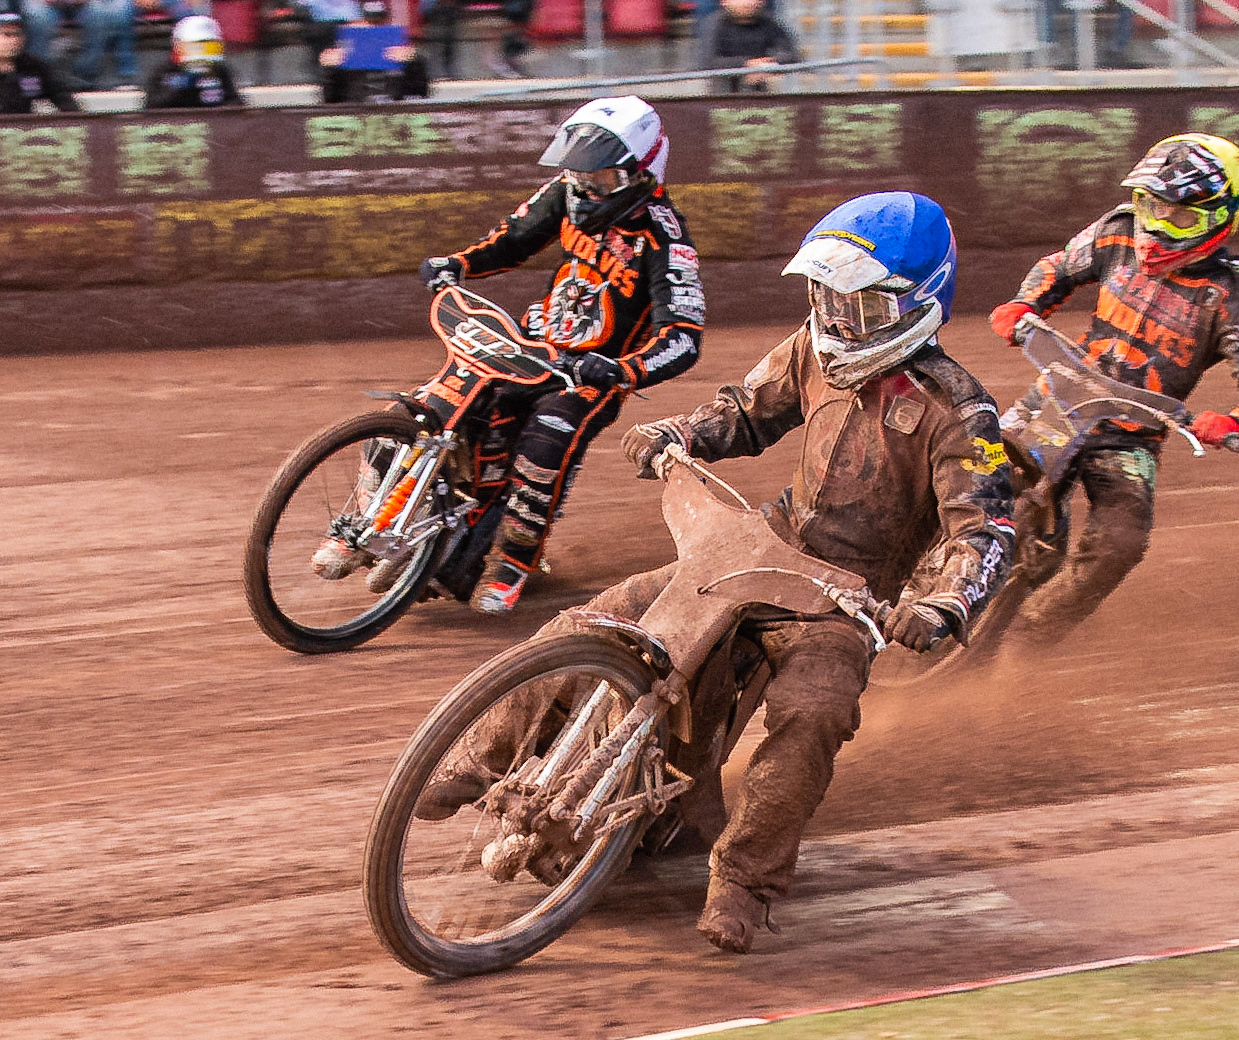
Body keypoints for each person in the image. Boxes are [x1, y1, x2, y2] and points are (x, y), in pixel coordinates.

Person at [415, 193, 1021, 955]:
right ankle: (478, 760)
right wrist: (681, 431)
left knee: (814, 712)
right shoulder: (811, 348)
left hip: (842, 599)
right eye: (828, 298)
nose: (838, 320)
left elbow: (986, 527)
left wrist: (941, 606)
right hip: (754, 545)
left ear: (917, 305)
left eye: (860, 306)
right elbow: (746, 410)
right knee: (596, 619)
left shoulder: (963, 414)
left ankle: (744, 881)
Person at [318, 97, 704, 614]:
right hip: (529, 344)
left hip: (590, 373)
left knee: (547, 439)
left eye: (600, 179)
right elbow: (512, 241)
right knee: (424, 411)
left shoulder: (664, 235)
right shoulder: (566, 194)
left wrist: (622, 368)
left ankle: (513, 562)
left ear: (640, 173)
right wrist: (456, 264)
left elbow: (682, 336)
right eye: (578, 174)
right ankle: (365, 525)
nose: (586, 188)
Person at [989, 133, 1239, 649]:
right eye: (1151, 206)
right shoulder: (1118, 233)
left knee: (1120, 542)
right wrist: (1025, 305)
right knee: (976, 471)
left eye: (1179, 217)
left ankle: (1030, 635)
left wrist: (1236, 423)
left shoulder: (1231, 289)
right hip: (1060, 396)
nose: (1157, 225)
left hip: (1132, 435)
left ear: (1220, 215)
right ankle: (916, 563)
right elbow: (1058, 266)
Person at [0, 10, 78, 113]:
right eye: (6, 34)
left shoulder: (33, 65)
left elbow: (65, 101)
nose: (13, 40)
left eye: (17, 34)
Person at [318, 0, 428, 103]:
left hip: (393, 111)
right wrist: (330, 69)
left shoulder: (405, 56)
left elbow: (420, 97)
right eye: (368, 22)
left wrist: (412, 63)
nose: (373, 29)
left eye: (379, 24)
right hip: (354, 111)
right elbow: (330, 100)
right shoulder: (342, 58)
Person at [696, 0, 797, 94]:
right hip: (724, 94)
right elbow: (708, 62)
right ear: (724, 2)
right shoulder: (714, 25)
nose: (747, 3)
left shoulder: (770, 23)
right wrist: (747, 65)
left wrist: (768, 65)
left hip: (762, 93)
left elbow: (790, 55)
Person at [144, 15, 244, 108]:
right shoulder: (165, 72)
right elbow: (153, 107)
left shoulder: (219, 71)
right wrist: (179, 87)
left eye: (210, 46)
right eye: (195, 46)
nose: (202, 52)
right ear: (178, 45)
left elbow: (235, 104)